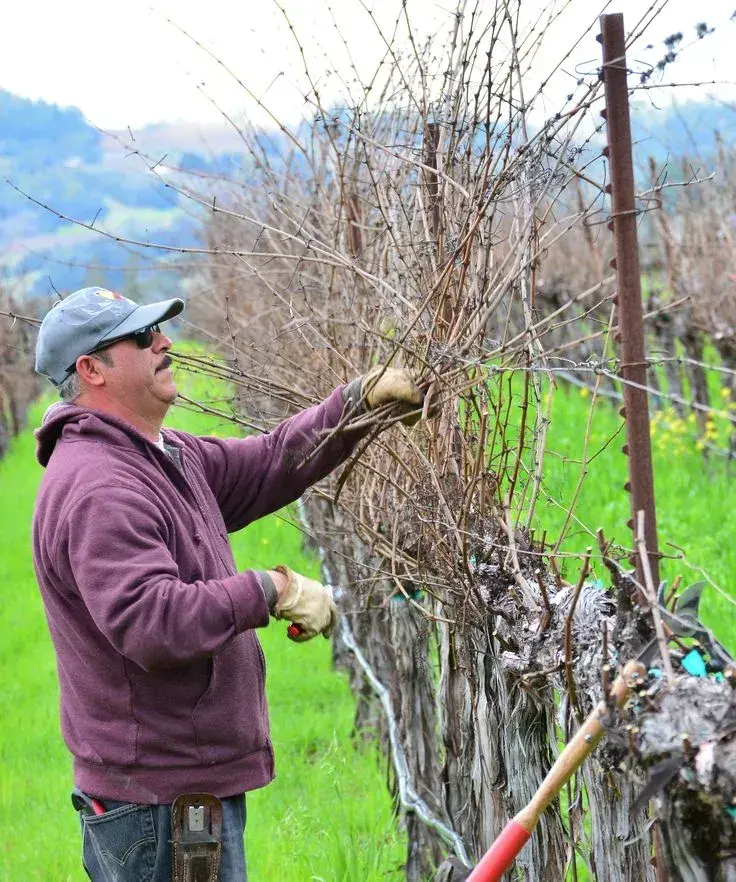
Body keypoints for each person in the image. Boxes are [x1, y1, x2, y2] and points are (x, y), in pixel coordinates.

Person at [31, 286, 424, 882]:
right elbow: (152, 623)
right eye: (140, 338)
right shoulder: (101, 486)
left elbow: (267, 463)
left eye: (158, 331)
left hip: (176, 790)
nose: (164, 343)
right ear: (92, 370)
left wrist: (356, 404)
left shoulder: (160, 455)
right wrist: (271, 589)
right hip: (159, 804)